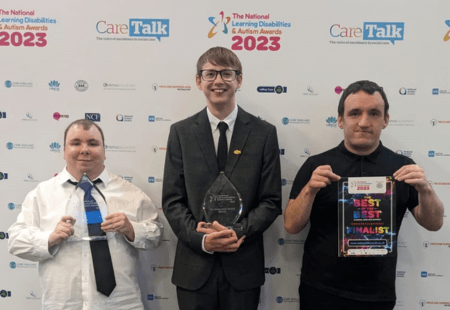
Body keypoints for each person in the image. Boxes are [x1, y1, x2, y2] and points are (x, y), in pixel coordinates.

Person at [284, 80, 444, 310]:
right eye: (355, 113)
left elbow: (434, 223)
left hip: (378, 294)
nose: (364, 122)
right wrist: (309, 190)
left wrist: (425, 190)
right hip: (321, 290)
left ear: (385, 120)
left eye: (374, 113)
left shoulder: (402, 167)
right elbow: (291, 225)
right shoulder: (316, 166)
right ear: (340, 119)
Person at [162, 46, 282, 310]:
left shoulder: (264, 134)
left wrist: (237, 232)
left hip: (242, 265)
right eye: (210, 74)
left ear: (239, 80)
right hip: (194, 267)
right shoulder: (180, 133)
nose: (218, 81)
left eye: (227, 74)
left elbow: (271, 201)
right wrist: (202, 239)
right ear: (198, 81)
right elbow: (172, 200)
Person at [8, 119, 163, 310]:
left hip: (120, 304)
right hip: (63, 304)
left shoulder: (131, 194)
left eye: (93, 143)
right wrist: (49, 237)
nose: (84, 150)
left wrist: (132, 229)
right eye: (75, 143)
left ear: (104, 152)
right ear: (64, 151)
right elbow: (15, 241)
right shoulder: (42, 195)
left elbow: (156, 235)